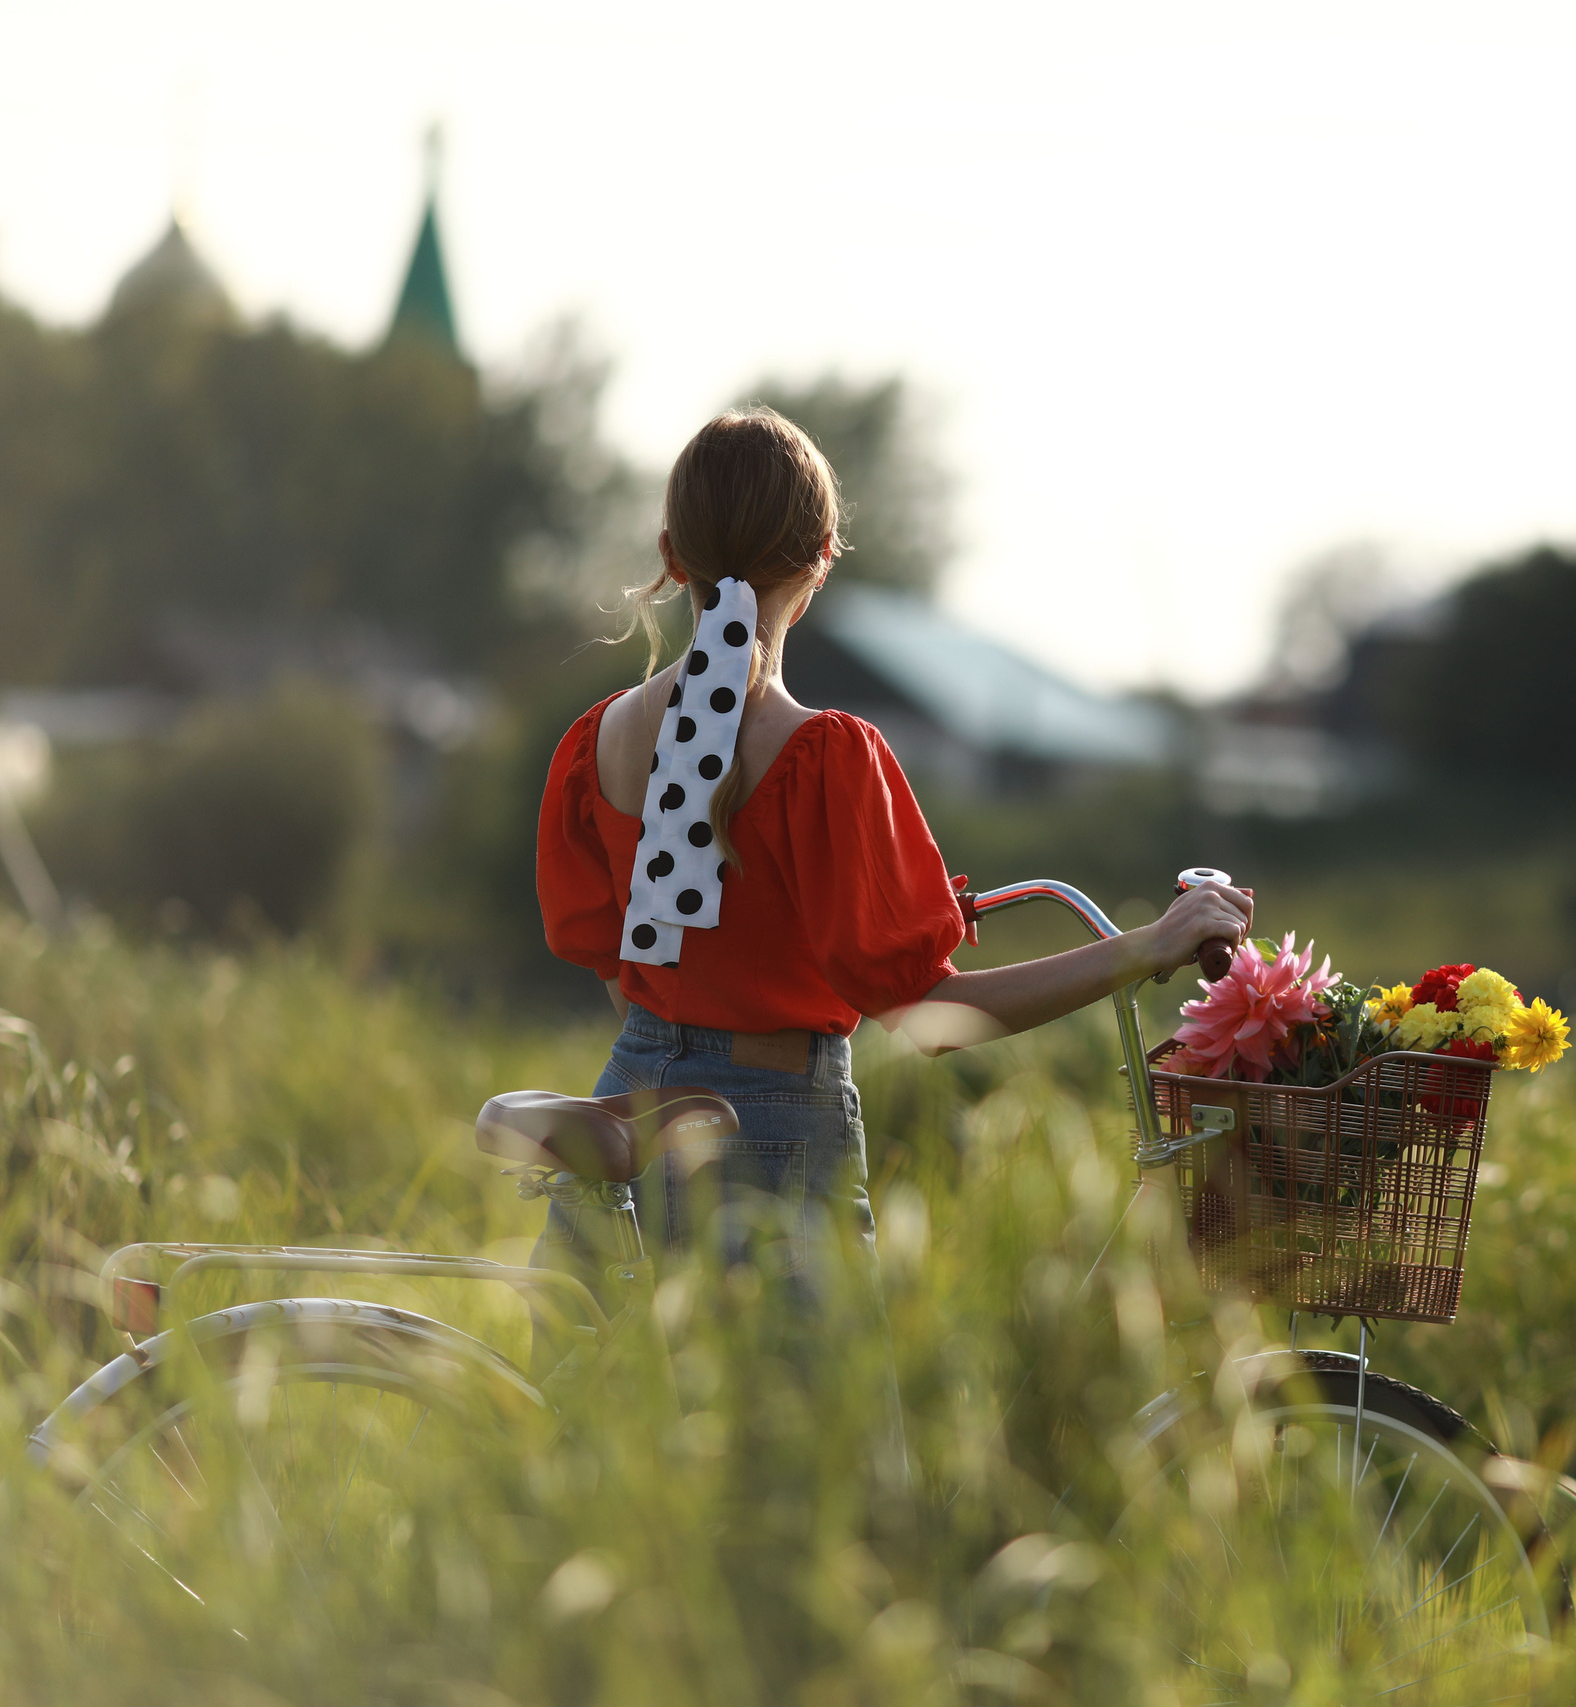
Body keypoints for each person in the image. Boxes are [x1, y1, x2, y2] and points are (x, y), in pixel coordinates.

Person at [532, 405, 1249, 1298]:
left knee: (589, 1423)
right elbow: (930, 1015)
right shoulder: (824, 758)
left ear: (671, 555)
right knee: (824, 1440)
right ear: (822, 556)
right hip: (768, 1139)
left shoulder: (595, 742)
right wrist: (1146, 945)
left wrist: (682, 1036)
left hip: (622, 1105)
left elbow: (613, 964)